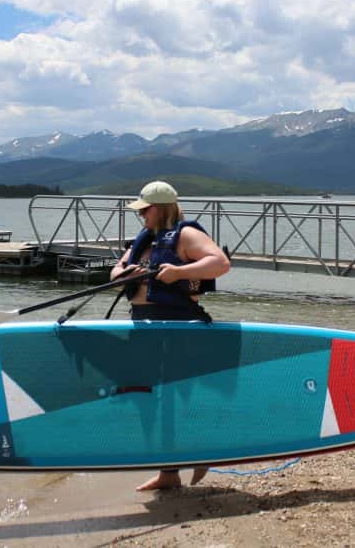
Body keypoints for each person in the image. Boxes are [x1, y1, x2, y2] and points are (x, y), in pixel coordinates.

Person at [109, 180, 231, 491]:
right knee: (149, 400)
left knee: (180, 397)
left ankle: (201, 451)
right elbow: (114, 272)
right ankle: (168, 473)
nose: (141, 217)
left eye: (144, 211)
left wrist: (179, 272)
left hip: (178, 326)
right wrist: (127, 273)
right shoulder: (144, 239)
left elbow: (219, 263)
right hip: (143, 327)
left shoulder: (186, 235)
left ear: (160, 208)